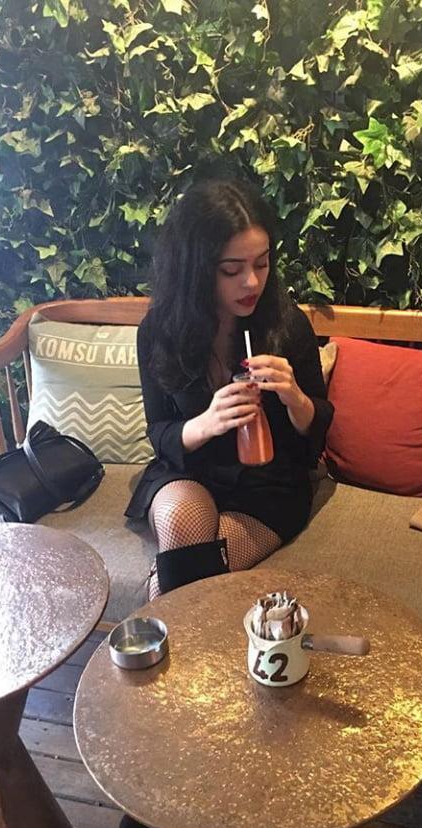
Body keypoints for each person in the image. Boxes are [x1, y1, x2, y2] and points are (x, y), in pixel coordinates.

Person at [125, 177, 334, 604]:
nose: (252, 283)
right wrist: (206, 423)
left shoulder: (286, 325)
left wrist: (294, 397)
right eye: (232, 270)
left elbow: (317, 432)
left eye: (262, 263)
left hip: (267, 487)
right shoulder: (160, 332)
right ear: (196, 269)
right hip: (192, 470)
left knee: (192, 576)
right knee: (182, 517)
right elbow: (159, 431)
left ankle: (156, 621)